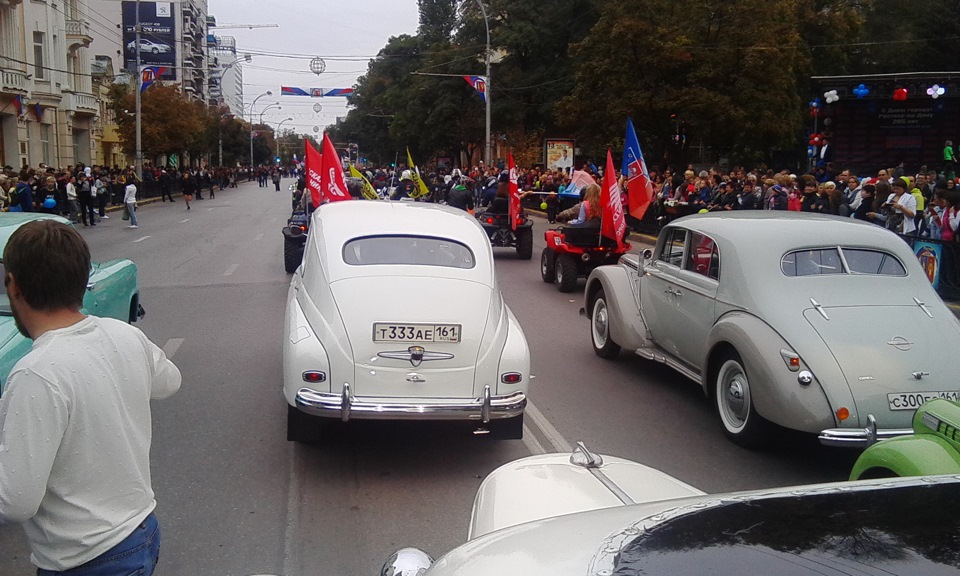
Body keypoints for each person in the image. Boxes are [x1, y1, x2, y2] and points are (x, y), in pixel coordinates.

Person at [0, 220, 181, 575]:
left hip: (87, 557)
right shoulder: (123, 335)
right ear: (82, 281)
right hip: (140, 530)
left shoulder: (35, 373)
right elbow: (169, 381)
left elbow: (15, 501)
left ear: (13, 285)